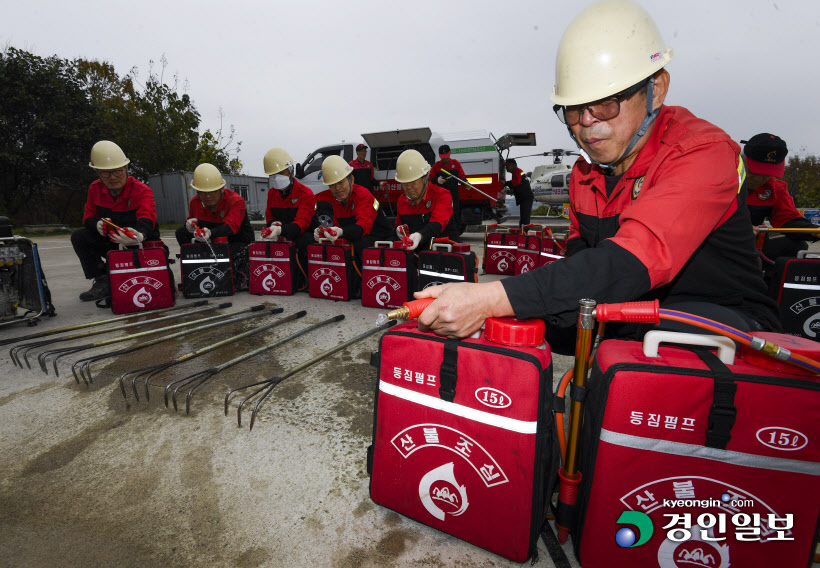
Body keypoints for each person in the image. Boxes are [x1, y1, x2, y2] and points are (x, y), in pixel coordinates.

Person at [414, 0, 780, 351]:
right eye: (574, 109)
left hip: (725, 325)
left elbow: (634, 259)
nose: (587, 123)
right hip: (628, 307)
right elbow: (582, 257)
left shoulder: (702, 152)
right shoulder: (584, 176)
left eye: (606, 103)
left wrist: (491, 298)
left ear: (657, 89)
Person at [72, 140, 160, 301]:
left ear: (126, 168)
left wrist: (139, 235)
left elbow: (147, 216)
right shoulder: (95, 188)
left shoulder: (142, 190)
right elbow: (88, 217)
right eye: (105, 173)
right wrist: (96, 224)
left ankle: (122, 273)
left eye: (117, 171)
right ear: (97, 172)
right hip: (111, 242)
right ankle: (102, 280)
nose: (112, 177)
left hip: (142, 244)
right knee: (79, 236)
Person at [176, 163, 254, 289]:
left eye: (212, 192)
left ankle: (237, 273)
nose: (208, 196)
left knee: (226, 268)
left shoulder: (236, 201)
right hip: (210, 240)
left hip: (237, 240)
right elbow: (191, 222)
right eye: (203, 192)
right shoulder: (195, 202)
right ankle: (196, 267)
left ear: (222, 189)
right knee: (181, 232)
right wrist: (190, 225)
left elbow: (231, 228)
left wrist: (210, 233)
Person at [743, 133, 817, 261]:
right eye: (754, 172)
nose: (760, 179)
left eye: (767, 174)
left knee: (797, 247)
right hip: (721, 244)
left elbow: (786, 218)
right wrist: (737, 228)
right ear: (743, 160)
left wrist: (814, 231)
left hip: (754, 245)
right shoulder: (718, 181)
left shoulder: (775, 189)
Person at [314, 155, 394, 268]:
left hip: (380, 238)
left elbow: (362, 227)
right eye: (332, 185)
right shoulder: (337, 200)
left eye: (341, 182)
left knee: (360, 245)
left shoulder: (362, 195)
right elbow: (338, 227)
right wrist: (325, 233)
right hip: (358, 238)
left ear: (351, 179)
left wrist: (340, 232)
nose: (337, 188)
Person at [260, 147, 318, 288]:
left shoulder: (306, 193)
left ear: (291, 171)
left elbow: (301, 224)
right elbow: (269, 215)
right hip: (282, 233)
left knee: (304, 241)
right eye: (272, 175)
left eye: (280, 172)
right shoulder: (272, 193)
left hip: (304, 235)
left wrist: (280, 230)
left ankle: (304, 281)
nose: (276, 177)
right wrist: (274, 224)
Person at [393, 150, 454, 251]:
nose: (409, 187)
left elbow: (437, 223)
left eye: (413, 182)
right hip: (414, 255)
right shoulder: (402, 201)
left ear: (425, 177)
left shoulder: (442, 195)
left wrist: (419, 236)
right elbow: (398, 225)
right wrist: (398, 230)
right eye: (404, 183)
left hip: (443, 253)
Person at [429, 144, 466, 238]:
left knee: (455, 215)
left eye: (446, 157)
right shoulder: (437, 166)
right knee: (443, 215)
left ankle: (455, 236)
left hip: (454, 195)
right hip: (441, 196)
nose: (445, 159)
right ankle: (442, 235)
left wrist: (466, 183)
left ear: (449, 154)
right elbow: (429, 180)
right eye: (442, 157)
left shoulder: (455, 164)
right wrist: (437, 180)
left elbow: (462, 177)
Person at [504, 158, 534, 228]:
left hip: (526, 198)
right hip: (525, 198)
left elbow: (516, 183)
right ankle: (522, 231)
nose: (506, 168)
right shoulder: (517, 172)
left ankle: (524, 233)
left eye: (507, 166)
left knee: (525, 217)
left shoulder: (517, 171)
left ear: (512, 165)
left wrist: (505, 183)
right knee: (524, 217)